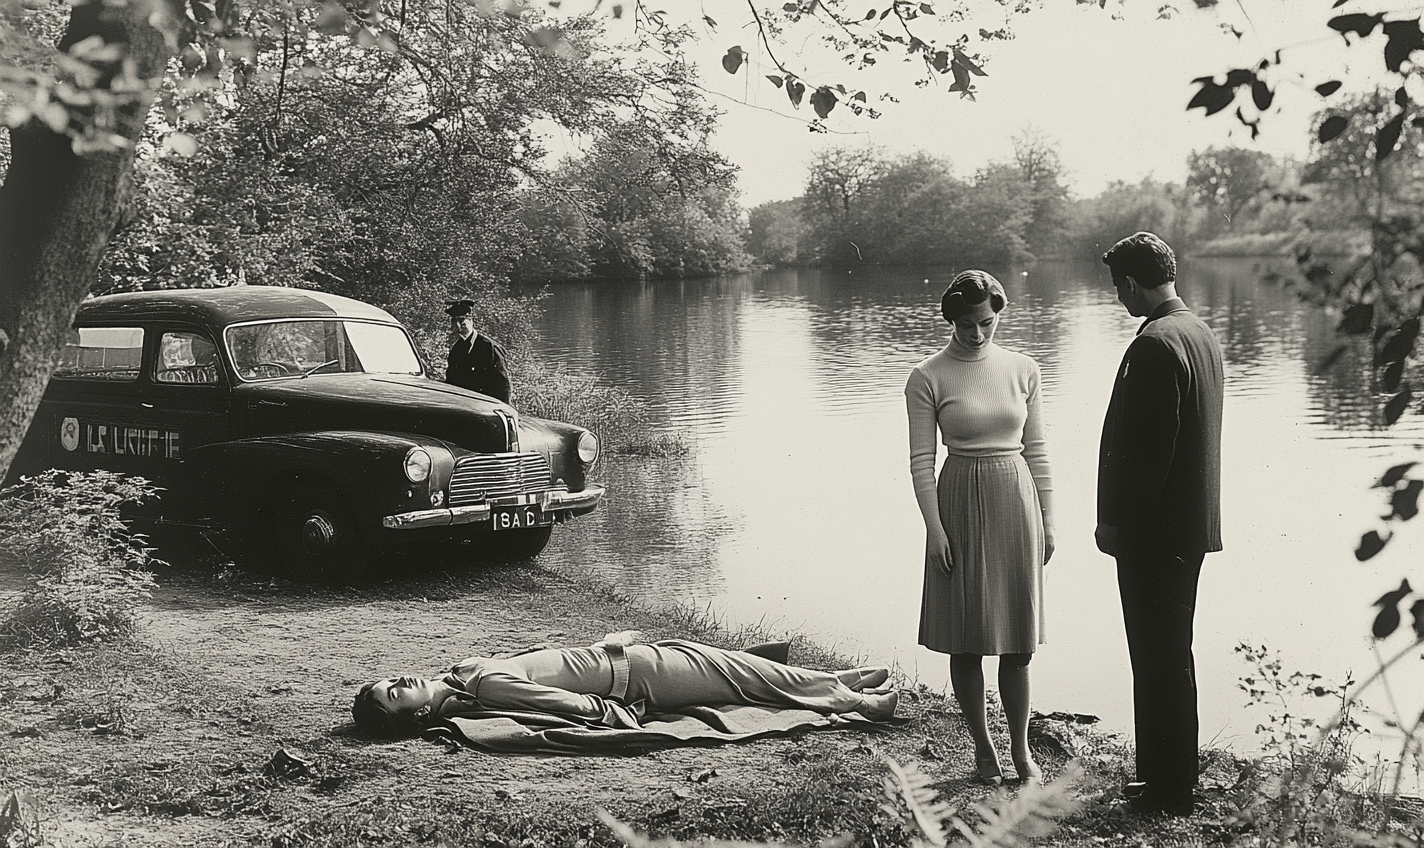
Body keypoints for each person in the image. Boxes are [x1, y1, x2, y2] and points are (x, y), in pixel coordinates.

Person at [904, 270, 1055, 787]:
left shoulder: (1023, 368)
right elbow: (922, 461)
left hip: (1015, 496)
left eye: (986, 323)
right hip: (959, 497)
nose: (976, 334)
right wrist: (935, 529)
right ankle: (983, 751)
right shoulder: (928, 376)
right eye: (966, 325)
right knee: (966, 638)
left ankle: (1021, 750)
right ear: (951, 321)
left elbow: (1037, 450)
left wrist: (1049, 520)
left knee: (1018, 641)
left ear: (999, 315)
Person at [1097, 232, 1224, 816]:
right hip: (1187, 528)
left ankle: (1171, 789)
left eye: (1117, 287)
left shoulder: (1154, 343)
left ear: (1129, 283)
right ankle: (1163, 776)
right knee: (1169, 652)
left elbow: (1146, 455)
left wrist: (1117, 525)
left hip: (1155, 534)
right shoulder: (1198, 331)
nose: (1118, 298)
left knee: (1157, 656)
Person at [351, 634, 898, 738]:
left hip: (625, 657)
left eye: (393, 680)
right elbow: (563, 701)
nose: (402, 680)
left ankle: (841, 680)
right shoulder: (485, 686)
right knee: (741, 679)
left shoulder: (465, 674)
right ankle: (855, 703)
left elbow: (550, 665)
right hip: (639, 675)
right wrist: (612, 712)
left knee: (736, 668)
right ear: (419, 716)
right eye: (397, 693)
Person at [444, 298, 511, 403]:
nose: (458, 325)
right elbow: (451, 381)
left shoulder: (490, 348)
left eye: (462, 320)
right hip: (465, 404)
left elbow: (503, 386)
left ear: (471, 321)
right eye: (454, 321)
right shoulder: (457, 349)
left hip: (487, 405)